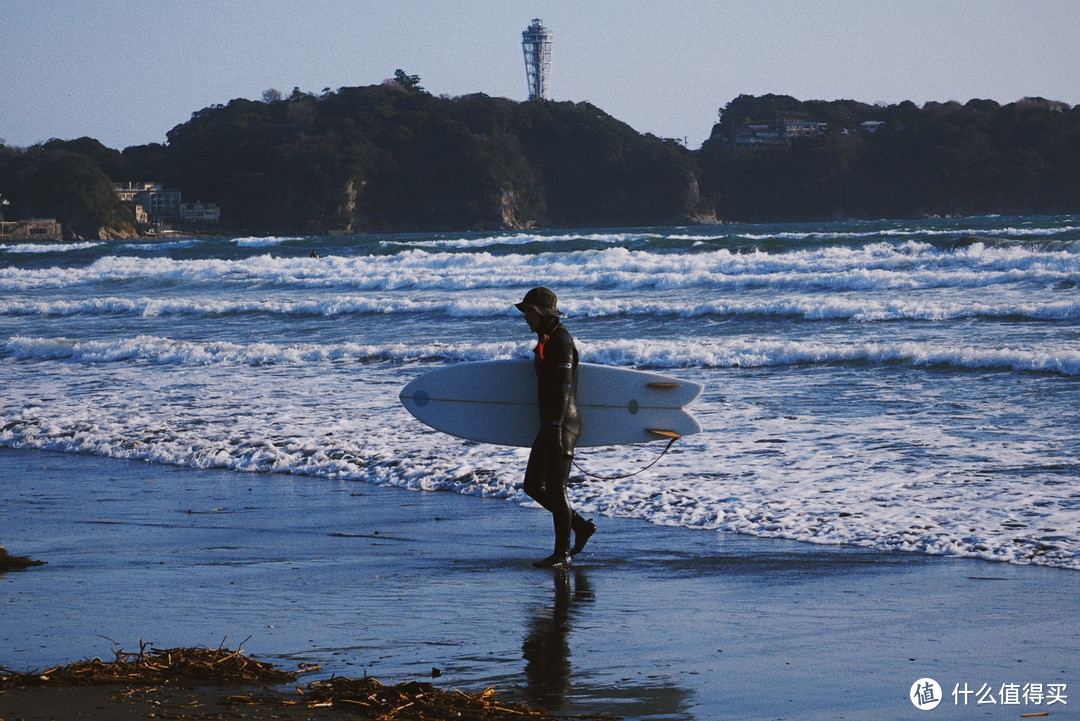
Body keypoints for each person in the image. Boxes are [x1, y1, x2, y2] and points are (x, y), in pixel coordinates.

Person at [515, 287, 596, 568]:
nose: (525, 317)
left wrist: (555, 426)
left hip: (562, 424)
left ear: (541, 313)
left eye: (528, 312)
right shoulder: (546, 338)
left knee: (557, 488)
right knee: (533, 486)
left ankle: (561, 553)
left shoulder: (561, 340)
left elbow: (563, 387)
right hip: (551, 423)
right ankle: (581, 527)